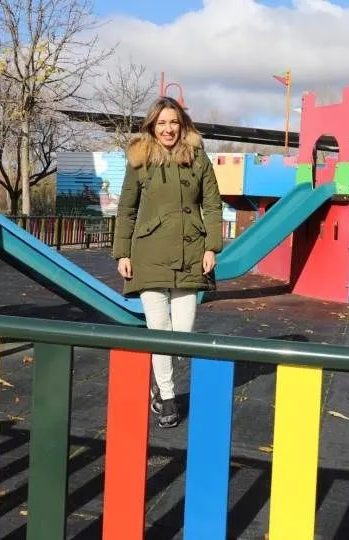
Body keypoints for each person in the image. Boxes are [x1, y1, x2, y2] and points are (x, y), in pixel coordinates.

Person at [112, 96, 224, 428]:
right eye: (161, 122)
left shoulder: (198, 158)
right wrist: (122, 253)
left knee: (183, 333)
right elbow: (126, 209)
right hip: (149, 255)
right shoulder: (139, 159)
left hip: (191, 254)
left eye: (173, 122)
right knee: (159, 331)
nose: (168, 128)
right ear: (152, 125)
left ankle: (160, 384)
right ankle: (167, 396)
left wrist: (211, 247)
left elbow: (213, 205)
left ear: (182, 124)